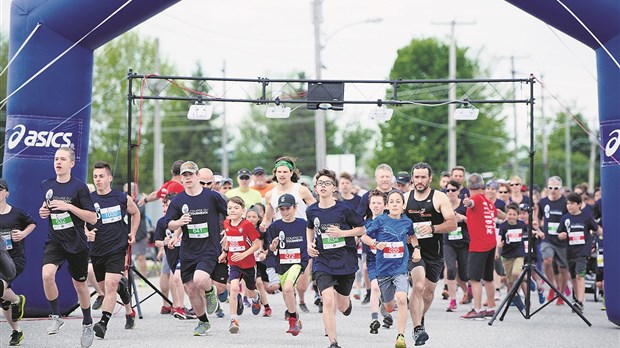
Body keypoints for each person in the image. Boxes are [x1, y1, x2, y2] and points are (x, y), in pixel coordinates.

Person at [38, 146, 98, 347]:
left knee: (80, 285)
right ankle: (56, 316)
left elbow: (93, 218)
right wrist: (44, 212)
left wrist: (69, 206)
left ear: (71, 163)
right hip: (55, 239)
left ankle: (88, 323)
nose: (58, 162)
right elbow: (46, 207)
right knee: (47, 275)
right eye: (56, 159)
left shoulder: (79, 188)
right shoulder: (47, 184)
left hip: (76, 242)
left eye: (63, 159)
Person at [165, 161, 228, 336]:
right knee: (191, 289)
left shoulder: (212, 196)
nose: (187, 178)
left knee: (200, 279)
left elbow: (229, 214)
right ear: (181, 179)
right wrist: (178, 224)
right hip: (188, 250)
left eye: (190, 175)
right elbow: (168, 223)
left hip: (209, 247)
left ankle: (209, 291)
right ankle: (203, 322)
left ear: (197, 176)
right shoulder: (178, 200)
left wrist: (228, 233)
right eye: (184, 176)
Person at [306, 169, 365, 348]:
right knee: (327, 299)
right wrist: (309, 244)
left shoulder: (345, 209)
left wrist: (343, 233)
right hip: (322, 260)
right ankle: (333, 342)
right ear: (315, 189)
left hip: (345, 260)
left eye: (327, 184)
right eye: (320, 184)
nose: (323, 187)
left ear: (334, 188)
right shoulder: (311, 210)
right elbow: (310, 228)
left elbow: (361, 229)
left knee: (341, 306)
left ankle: (347, 304)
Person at [403, 162, 456, 345]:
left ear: (430, 178)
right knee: (418, 286)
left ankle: (420, 318)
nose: (419, 180)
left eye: (423, 177)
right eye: (416, 177)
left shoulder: (439, 197)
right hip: (413, 251)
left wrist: (431, 227)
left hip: (435, 252)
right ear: (412, 178)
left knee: (428, 293)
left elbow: (452, 224)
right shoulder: (405, 198)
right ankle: (418, 329)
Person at [85, 162, 139, 339]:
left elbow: (135, 213)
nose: (98, 180)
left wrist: (133, 232)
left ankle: (103, 324)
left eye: (101, 176)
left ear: (109, 178)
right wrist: (87, 232)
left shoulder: (121, 197)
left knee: (110, 285)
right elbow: (81, 222)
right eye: (95, 177)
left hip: (117, 248)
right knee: (107, 287)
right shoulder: (88, 199)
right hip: (97, 250)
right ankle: (129, 310)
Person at [362, 190, 418, 348]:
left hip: (400, 267)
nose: (394, 204)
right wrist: (374, 243)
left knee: (401, 298)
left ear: (403, 205)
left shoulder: (407, 222)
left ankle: (400, 336)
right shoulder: (380, 221)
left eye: (398, 202)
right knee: (389, 306)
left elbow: (412, 236)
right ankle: (384, 304)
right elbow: (364, 236)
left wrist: (417, 248)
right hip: (383, 269)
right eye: (391, 202)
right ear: (387, 205)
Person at [261, 157, 316, 314]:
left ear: (291, 172)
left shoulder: (301, 190)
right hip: (283, 239)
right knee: (287, 283)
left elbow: (315, 209)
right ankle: (291, 310)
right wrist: (264, 223)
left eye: (285, 171)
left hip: (302, 235)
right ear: (275, 173)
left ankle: (300, 296)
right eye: (279, 172)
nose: (282, 174)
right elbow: (268, 215)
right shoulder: (270, 194)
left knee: (302, 284)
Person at [266, 193, 309, 336]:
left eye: (287, 208)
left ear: (295, 208)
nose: (285, 212)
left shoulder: (303, 224)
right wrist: (273, 246)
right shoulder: (274, 226)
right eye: (282, 209)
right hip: (282, 263)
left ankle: (292, 321)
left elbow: (311, 240)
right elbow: (271, 249)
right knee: (286, 292)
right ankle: (295, 315)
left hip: (297, 262)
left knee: (289, 288)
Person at [0, 178, 36, 346]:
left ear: (7, 193)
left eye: (0, 189)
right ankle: (16, 331)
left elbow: (32, 223)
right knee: (3, 300)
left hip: (14, 259)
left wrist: (22, 234)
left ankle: (16, 301)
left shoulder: (17, 213)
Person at [219, 196, 262, 333]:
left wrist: (243, 254)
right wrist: (225, 252)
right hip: (234, 263)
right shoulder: (226, 223)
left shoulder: (247, 225)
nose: (232, 210)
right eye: (230, 208)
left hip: (248, 264)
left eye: (236, 208)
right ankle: (233, 320)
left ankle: (256, 297)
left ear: (242, 211)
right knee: (233, 288)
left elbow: (257, 244)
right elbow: (229, 240)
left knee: (249, 292)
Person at [460, 173, 498, 320]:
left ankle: (477, 309)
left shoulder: (475, 199)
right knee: (488, 277)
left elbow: (471, 203)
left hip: (478, 245)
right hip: (490, 242)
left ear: (468, 186)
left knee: (475, 279)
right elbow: (494, 214)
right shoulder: (488, 202)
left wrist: (467, 203)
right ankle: (491, 307)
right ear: (482, 186)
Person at [557, 192, 600, 312]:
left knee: (579, 275)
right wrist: (562, 235)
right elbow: (559, 234)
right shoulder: (565, 218)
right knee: (574, 278)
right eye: (568, 203)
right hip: (570, 252)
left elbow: (597, 229)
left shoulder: (586, 217)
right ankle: (577, 298)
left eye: (572, 203)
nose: (569, 206)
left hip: (583, 252)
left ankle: (580, 301)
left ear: (579, 204)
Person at [153, 192, 192, 319]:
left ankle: (179, 307)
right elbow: (157, 241)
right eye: (164, 206)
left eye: (169, 206)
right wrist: (164, 243)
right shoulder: (161, 222)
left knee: (177, 278)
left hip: (185, 253)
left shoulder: (186, 219)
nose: (166, 209)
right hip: (171, 255)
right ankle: (195, 306)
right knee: (186, 284)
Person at [537, 176, 569, 305]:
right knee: (547, 260)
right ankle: (552, 286)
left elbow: (570, 219)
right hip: (548, 238)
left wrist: (565, 232)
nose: (553, 191)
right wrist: (539, 230)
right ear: (547, 188)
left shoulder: (565, 203)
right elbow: (538, 218)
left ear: (560, 189)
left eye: (556, 188)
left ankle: (560, 292)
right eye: (550, 188)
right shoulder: (543, 202)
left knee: (563, 268)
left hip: (562, 240)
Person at [443, 180, 470, 313]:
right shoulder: (443, 205)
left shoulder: (464, 205)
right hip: (448, 242)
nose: (451, 193)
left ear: (459, 191)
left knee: (464, 273)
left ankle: (467, 290)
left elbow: (474, 222)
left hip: (464, 242)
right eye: (448, 190)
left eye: (453, 190)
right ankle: (453, 300)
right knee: (451, 269)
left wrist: (463, 218)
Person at [497, 203, 528, 310]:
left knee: (516, 273)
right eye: (509, 214)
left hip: (519, 253)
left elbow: (530, 231)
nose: (511, 217)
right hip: (507, 255)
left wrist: (538, 233)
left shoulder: (521, 224)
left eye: (514, 214)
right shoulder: (503, 226)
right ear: (506, 215)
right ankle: (516, 297)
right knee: (509, 281)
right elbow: (499, 237)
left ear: (518, 215)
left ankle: (528, 280)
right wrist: (498, 247)